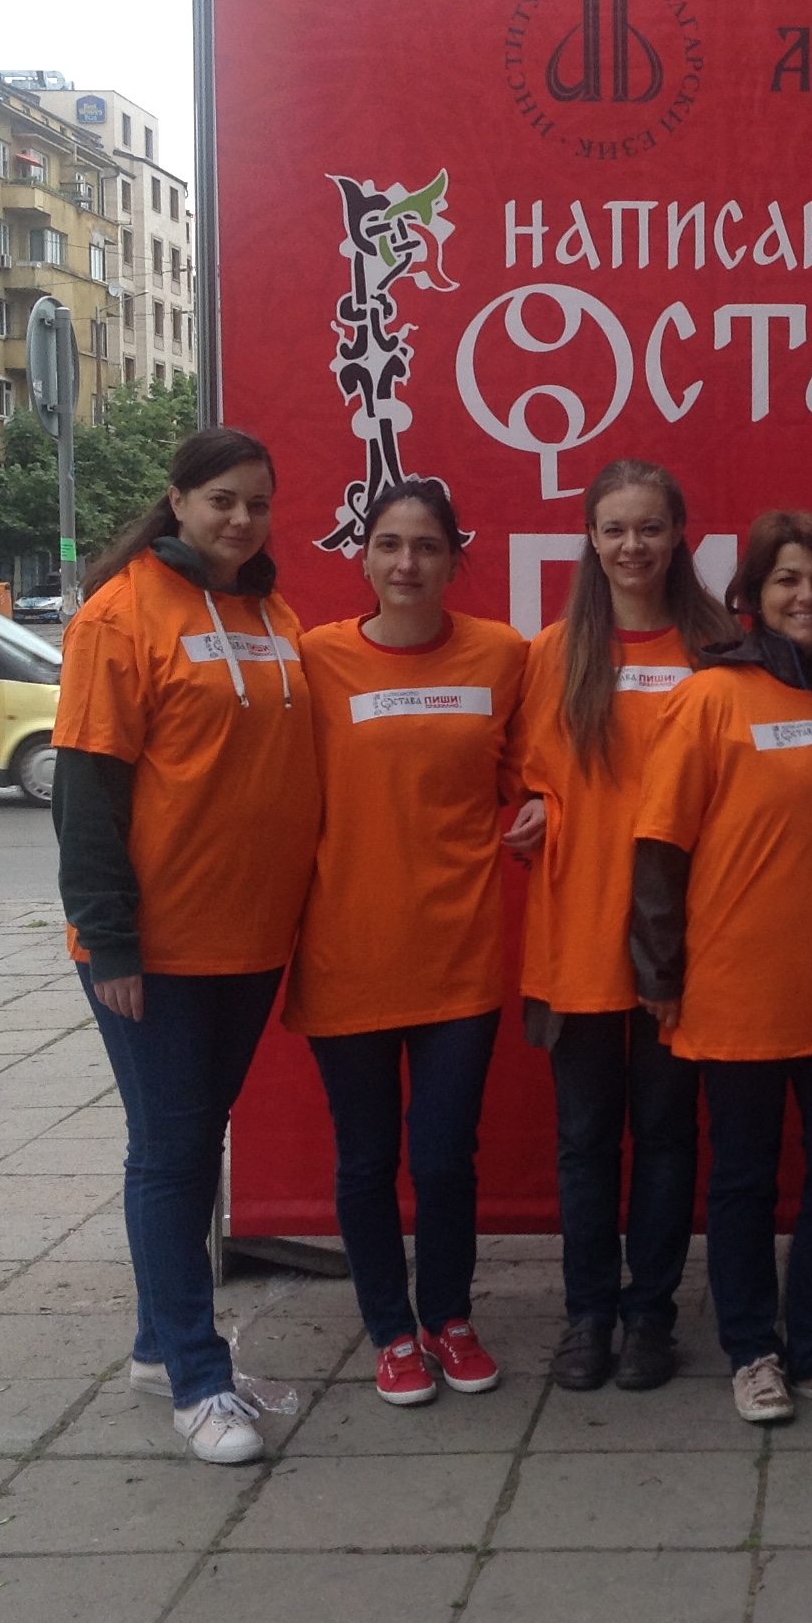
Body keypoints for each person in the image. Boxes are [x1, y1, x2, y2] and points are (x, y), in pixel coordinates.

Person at [52, 427, 320, 1465]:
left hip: (248, 939)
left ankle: (160, 1347)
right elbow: (86, 791)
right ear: (177, 501)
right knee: (170, 1153)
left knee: (193, 1142)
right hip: (153, 950)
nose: (242, 520)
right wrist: (110, 941)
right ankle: (200, 1384)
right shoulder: (119, 616)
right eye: (222, 500)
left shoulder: (272, 611)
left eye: (257, 502)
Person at [630, 510, 812, 1426]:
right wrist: (660, 975)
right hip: (738, 993)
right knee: (743, 1182)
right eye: (787, 579)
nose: (807, 596)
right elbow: (659, 850)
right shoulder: (709, 698)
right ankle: (752, 1353)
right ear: (753, 596)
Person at [282, 480, 528, 1407]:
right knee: (366, 1158)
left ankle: (449, 1317)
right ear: (363, 556)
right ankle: (390, 1329)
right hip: (348, 952)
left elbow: (534, 768)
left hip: (458, 953)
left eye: (427, 546)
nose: (407, 564)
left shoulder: (502, 655)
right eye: (389, 544)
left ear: (455, 559)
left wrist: (541, 805)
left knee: (444, 1156)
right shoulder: (317, 660)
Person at [503, 459, 735, 1395]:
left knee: (670, 1135)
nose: (632, 545)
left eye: (649, 527)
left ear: (679, 535)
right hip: (579, 935)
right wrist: (530, 809)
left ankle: (651, 1317)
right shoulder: (555, 652)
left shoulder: (721, 648)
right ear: (591, 541)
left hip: (688, 941)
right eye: (614, 529)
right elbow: (525, 775)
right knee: (586, 1139)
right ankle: (589, 1315)